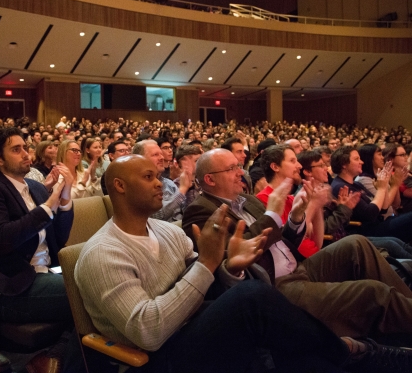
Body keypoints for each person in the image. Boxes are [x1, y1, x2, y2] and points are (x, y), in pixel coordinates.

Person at [74, 154, 411, 373]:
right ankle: (357, 353)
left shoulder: (165, 230)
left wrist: (229, 268)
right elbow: (148, 332)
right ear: (118, 186)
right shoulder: (103, 254)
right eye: (149, 177)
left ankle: (356, 356)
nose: (161, 184)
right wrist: (208, 264)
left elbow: (204, 285)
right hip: (155, 358)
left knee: (277, 330)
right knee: (254, 298)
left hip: (193, 329)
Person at [183, 148, 412, 343]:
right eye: (231, 169)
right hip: (274, 286)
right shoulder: (200, 211)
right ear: (210, 180)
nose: (240, 172)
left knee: (357, 244)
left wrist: (296, 217)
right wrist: (272, 213)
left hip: (297, 266)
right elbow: (229, 256)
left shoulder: (248, 201)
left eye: (238, 166)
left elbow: (282, 239)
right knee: (373, 292)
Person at [0, 128, 75, 372]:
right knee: (87, 286)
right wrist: (49, 205)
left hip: (48, 271)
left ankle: (61, 353)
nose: (26, 154)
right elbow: (2, 239)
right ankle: (61, 354)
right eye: (16, 150)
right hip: (16, 287)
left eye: (25, 148)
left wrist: (66, 195)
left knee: (97, 275)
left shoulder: (35, 188)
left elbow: (60, 237)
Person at [331, 146, 412, 243]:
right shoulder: (341, 187)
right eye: (357, 159)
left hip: (380, 223)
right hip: (366, 231)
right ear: (344, 164)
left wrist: (385, 184)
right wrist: (382, 188)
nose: (362, 162)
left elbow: (383, 208)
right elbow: (370, 214)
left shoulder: (356, 184)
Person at [132, 140, 193, 222]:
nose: (162, 158)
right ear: (140, 159)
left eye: (161, 154)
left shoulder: (169, 183)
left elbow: (185, 210)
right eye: (155, 155)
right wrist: (182, 190)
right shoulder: (137, 185)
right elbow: (157, 216)